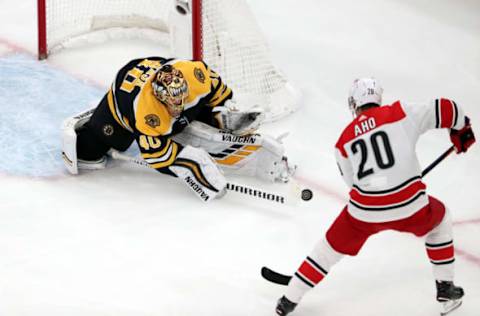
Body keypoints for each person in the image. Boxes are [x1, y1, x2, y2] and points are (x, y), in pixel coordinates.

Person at [275, 78, 476, 315]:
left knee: (326, 250)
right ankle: (445, 287)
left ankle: (288, 300)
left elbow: (352, 183)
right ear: (377, 98)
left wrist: (382, 187)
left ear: (354, 103)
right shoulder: (400, 113)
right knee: (440, 221)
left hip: (364, 213)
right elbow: (447, 108)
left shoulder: (344, 140)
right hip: (411, 207)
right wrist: (461, 128)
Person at [62, 57, 294, 202]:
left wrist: (227, 110)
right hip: (120, 108)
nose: (178, 107)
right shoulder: (147, 113)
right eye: (171, 104)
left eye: (180, 99)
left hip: (154, 70)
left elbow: (217, 89)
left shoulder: (194, 75)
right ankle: (93, 139)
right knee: (89, 152)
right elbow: (156, 156)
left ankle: (215, 119)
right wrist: (190, 165)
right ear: (159, 98)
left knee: (192, 112)